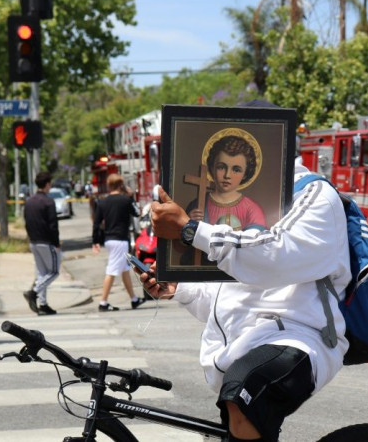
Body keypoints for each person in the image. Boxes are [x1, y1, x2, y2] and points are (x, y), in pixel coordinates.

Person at [139, 159, 352, 442]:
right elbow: (230, 297)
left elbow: (273, 259)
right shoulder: (237, 200)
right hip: (242, 348)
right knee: (238, 403)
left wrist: (191, 230)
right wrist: (180, 289)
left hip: (300, 336)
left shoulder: (313, 193)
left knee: (246, 388)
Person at [183, 132, 267, 265]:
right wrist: (187, 225)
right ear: (211, 167)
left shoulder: (252, 210)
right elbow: (179, 249)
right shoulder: (198, 204)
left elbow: (259, 252)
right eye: (221, 167)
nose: (227, 175)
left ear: (246, 173)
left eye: (236, 169)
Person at [92, 173, 145, 312]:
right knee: (112, 271)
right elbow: (137, 212)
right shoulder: (125, 200)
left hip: (109, 239)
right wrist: (131, 197)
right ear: (121, 185)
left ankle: (134, 299)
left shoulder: (102, 202)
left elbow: (96, 223)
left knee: (125, 269)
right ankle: (103, 302)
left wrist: (95, 241)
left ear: (109, 185)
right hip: (120, 240)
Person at [22, 171, 61, 315]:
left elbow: (26, 222)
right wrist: (56, 242)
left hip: (34, 241)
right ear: (47, 184)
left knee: (42, 273)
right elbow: (53, 225)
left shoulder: (29, 201)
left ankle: (43, 304)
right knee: (54, 272)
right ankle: (33, 292)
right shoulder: (48, 202)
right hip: (46, 241)